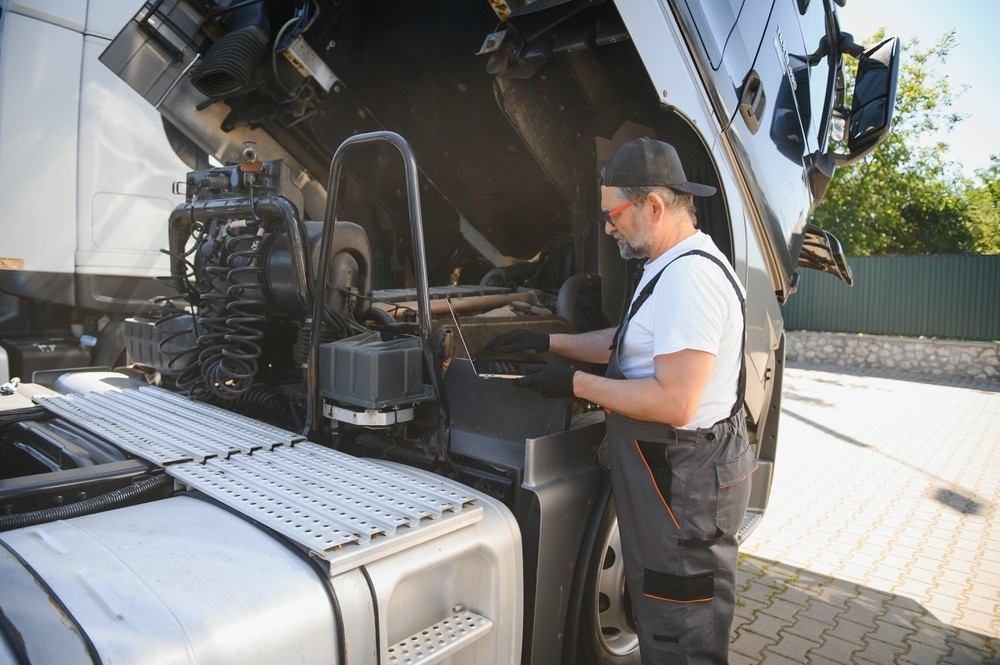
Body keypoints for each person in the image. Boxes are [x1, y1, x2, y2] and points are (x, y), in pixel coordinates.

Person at [485, 137, 756, 664]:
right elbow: (632, 338)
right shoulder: (672, 262)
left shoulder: (690, 279)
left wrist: (575, 385)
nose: (608, 228)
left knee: (681, 631)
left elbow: (675, 401)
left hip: (684, 482)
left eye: (614, 215)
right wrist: (551, 343)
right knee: (663, 614)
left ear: (653, 205)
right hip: (679, 475)